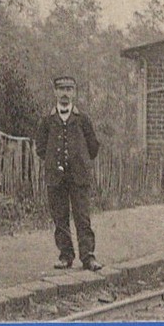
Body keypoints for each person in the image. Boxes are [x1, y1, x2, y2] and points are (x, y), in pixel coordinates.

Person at [35, 75, 103, 271]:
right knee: (60, 217)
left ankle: (88, 256)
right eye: (61, 89)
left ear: (74, 93)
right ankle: (65, 255)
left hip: (78, 176)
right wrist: (54, 163)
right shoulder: (47, 121)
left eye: (69, 89)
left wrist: (79, 160)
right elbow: (41, 148)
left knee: (82, 216)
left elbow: (93, 147)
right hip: (56, 177)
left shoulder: (82, 120)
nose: (65, 93)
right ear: (55, 92)